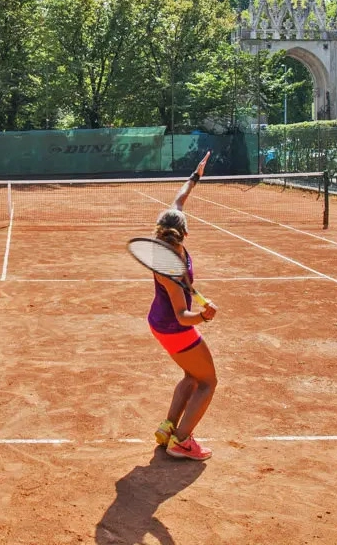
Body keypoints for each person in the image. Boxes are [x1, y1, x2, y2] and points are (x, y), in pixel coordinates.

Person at [148, 152, 219, 461]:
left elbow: (179, 199)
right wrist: (202, 316)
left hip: (158, 323)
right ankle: (181, 441)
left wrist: (196, 175)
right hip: (175, 326)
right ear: (185, 232)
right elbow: (182, 315)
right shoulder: (172, 268)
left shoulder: (166, 236)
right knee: (207, 382)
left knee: (191, 376)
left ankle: (168, 428)